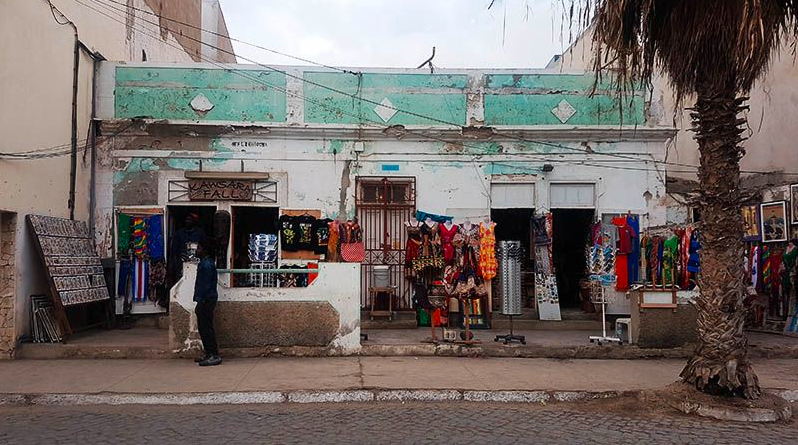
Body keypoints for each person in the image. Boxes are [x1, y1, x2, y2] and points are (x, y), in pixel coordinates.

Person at [194, 238, 221, 367]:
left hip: (206, 299)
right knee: (203, 328)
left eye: (198, 248)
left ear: (204, 250)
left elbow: (205, 285)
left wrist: (201, 301)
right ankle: (209, 352)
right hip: (204, 299)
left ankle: (214, 354)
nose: (196, 250)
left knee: (207, 328)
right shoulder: (204, 263)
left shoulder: (207, 265)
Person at [170, 212, 207, 283]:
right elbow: (173, 251)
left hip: (197, 263)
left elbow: (205, 247)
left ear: (194, 221)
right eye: (186, 219)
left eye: (190, 219)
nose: (188, 221)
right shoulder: (179, 233)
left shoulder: (200, 233)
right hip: (181, 265)